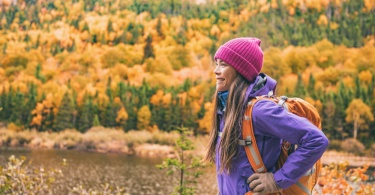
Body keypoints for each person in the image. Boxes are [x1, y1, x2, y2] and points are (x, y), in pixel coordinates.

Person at [203, 37, 329, 195]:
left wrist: (277, 181)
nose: (216, 70)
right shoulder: (228, 109)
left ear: (240, 70)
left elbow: (316, 140)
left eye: (223, 64)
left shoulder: (260, 111)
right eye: (217, 63)